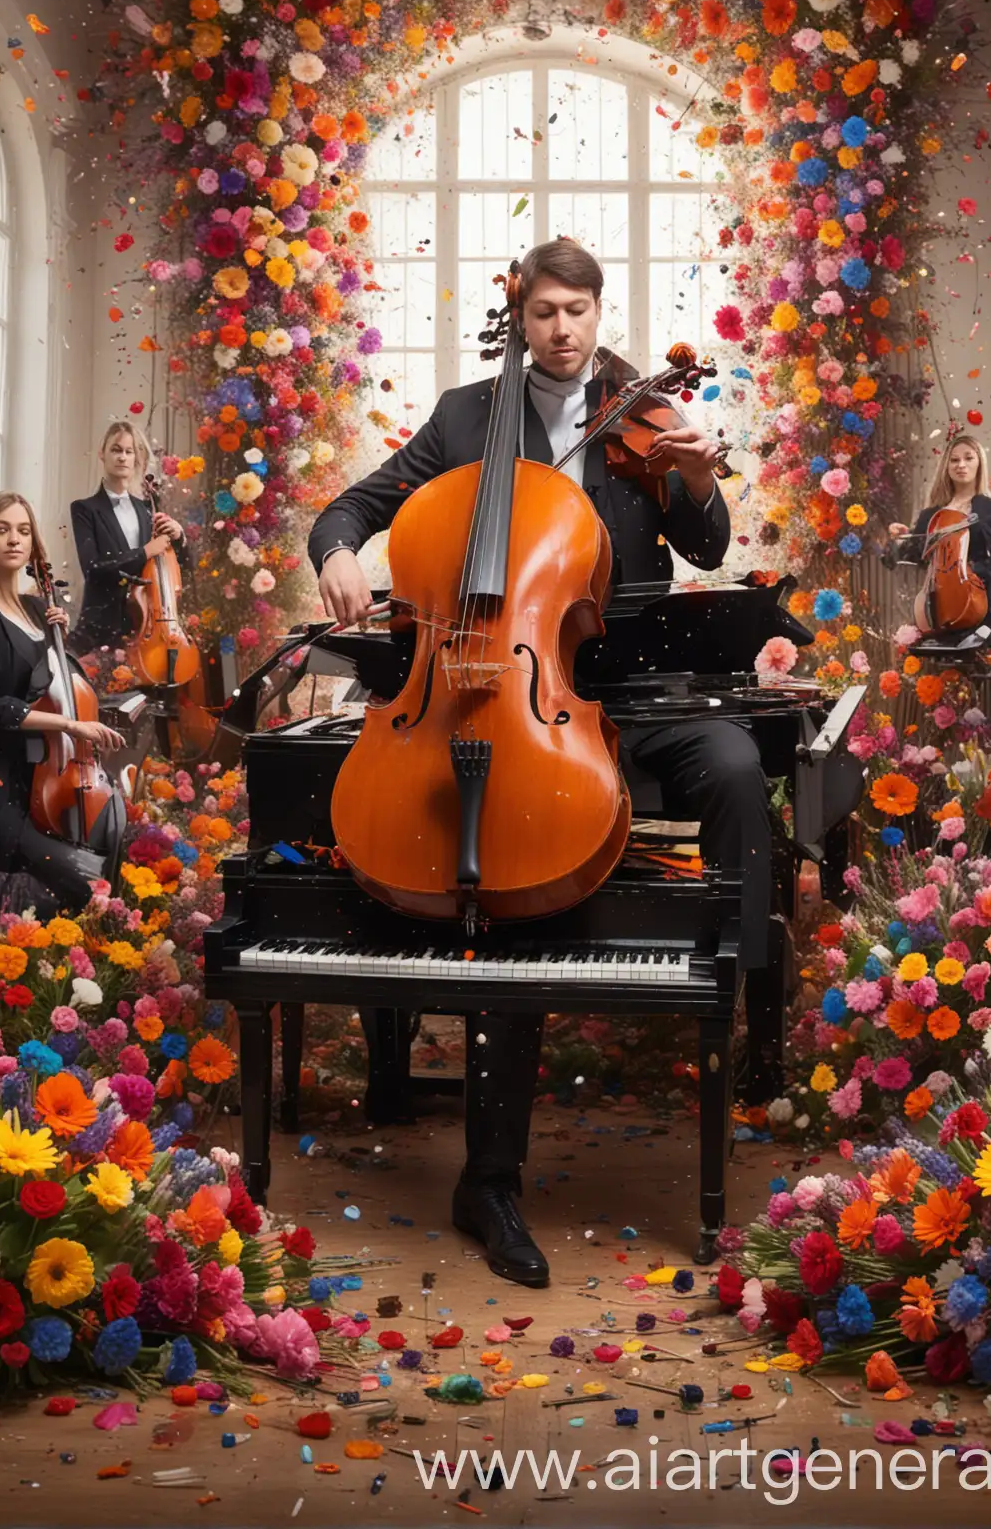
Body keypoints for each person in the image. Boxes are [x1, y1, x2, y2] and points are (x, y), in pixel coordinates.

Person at [308, 239, 771, 1287]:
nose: (563, 329)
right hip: (503, 693)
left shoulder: (644, 414)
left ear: (603, 313)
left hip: (628, 695)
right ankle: (492, 1175)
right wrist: (339, 552)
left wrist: (696, 476)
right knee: (511, 880)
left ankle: (740, 1002)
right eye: (546, 312)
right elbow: (355, 507)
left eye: (580, 310)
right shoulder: (469, 418)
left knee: (738, 766)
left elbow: (705, 547)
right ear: (521, 316)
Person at [0, 491, 126, 916]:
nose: (14, 540)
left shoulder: (36, 609)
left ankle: (43, 980)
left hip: (41, 776)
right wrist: (67, 726)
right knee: (59, 884)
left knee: (83, 882)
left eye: (24, 530)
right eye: (1, 529)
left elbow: (47, 686)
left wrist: (58, 646)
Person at [887, 431, 991, 648]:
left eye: (969, 458)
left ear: (979, 464)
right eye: (954, 460)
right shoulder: (931, 515)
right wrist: (899, 540)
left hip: (979, 607)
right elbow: (914, 557)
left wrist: (975, 575)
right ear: (946, 468)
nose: (961, 465)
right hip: (937, 604)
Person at [68, 420, 188, 656]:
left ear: (136, 458)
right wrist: (145, 552)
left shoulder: (147, 509)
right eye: (116, 450)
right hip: (103, 630)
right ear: (102, 454)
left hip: (146, 629)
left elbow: (179, 570)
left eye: (128, 451)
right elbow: (93, 570)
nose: (122, 457)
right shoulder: (84, 509)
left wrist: (179, 538)